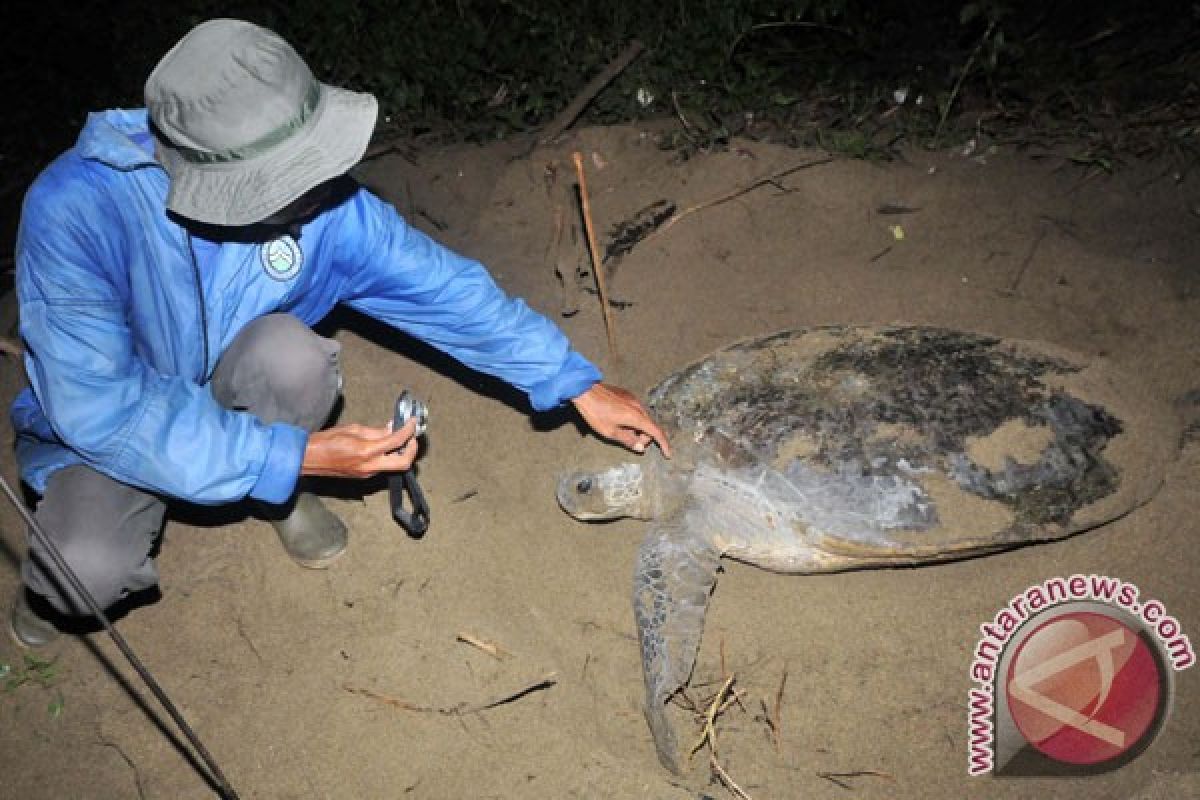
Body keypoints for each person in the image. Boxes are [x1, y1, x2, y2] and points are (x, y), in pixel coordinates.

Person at [7, 18, 669, 647]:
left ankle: (278, 501)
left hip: (232, 373)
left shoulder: (324, 209)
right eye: (292, 176)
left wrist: (573, 382)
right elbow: (101, 408)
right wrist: (296, 457)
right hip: (115, 420)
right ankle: (48, 595)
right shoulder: (76, 211)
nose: (322, 185)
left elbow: (443, 289)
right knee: (85, 569)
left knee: (297, 360)